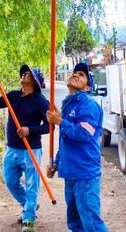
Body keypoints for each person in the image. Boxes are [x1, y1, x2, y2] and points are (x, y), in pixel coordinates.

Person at [46, 63, 108, 232]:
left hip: (85, 174)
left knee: (91, 224)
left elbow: (84, 134)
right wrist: (57, 164)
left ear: (87, 87)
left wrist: (59, 121)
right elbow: (66, 142)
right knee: (75, 224)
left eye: (81, 74)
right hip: (71, 174)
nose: (75, 75)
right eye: (74, 72)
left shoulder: (88, 105)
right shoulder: (69, 105)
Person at [0, 65, 49, 232]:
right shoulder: (13, 96)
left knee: (32, 186)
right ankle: (29, 204)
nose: (23, 74)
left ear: (35, 81)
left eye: (28, 74)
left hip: (31, 150)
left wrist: (29, 130)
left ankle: (29, 220)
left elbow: (49, 127)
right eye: (23, 73)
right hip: (12, 149)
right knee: (10, 181)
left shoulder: (40, 101)